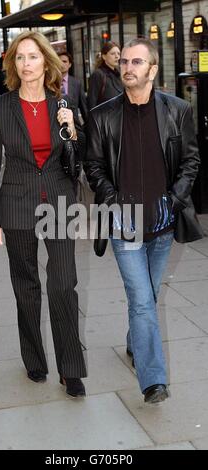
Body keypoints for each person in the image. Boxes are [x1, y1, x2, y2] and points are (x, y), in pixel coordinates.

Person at [85, 37, 203, 404]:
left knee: (147, 296)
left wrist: (174, 198)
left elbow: (191, 160)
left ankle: (137, 341)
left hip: (163, 223)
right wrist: (112, 201)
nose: (128, 68)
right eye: (123, 62)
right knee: (140, 299)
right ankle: (154, 381)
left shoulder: (177, 110)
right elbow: (94, 166)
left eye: (137, 62)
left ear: (152, 69)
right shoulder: (102, 115)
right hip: (125, 225)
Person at [0, 31, 87, 397]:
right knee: (26, 288)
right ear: (14, 64)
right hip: (16, 204)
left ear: (46, 62)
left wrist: (73, 131)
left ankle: (71, 369)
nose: (26, 64)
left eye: (33, 56)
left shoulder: (64, 102)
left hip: (58, 199)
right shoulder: (1, 106)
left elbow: (78, 160)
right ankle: (35, 361)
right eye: (20, 58)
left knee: (62, 285)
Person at [87, 41, 123, 110]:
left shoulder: (119, 74)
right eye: (113, 54)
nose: (117, 56)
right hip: (105, 119)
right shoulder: (98, 74)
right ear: (104, 56)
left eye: (118, 53)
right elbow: (91, 102)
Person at [58, 51, 88, 124]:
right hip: (56, 126)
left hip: (74, 125)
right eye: (59, 61)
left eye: (65, 61)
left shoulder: (76, 83)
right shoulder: (50, 83)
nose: (62, 64)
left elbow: (84, 108)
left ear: (70, 64)